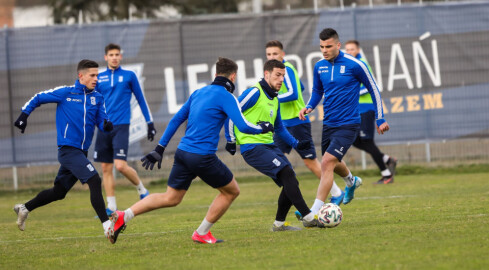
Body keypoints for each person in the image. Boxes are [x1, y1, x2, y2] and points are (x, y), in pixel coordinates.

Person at [109, 57, 275, 244]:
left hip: (182, 153)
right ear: (233, 76)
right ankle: (202, 233)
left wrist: (159, 149)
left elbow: (175, 120)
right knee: (231, 191)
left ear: (215, 74)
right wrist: (264, 127)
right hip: (202, 156)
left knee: (171, 197)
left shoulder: (198, 92)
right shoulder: (227, 97)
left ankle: (125, 215)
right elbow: (243, 126)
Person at [12, 59, 117, 243]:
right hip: (68, 150)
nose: (95, 79)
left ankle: (25, 208)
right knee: (94, 179)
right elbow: (38, 97)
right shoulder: (66, 93)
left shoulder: (98, 97)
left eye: (97, 75)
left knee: (58, 192)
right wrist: (24, 115)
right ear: (81, 76)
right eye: (92, 75)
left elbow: (102, 120)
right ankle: (107, 226)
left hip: (80, 153)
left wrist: (106, 125)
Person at [298, 28, 390, 216]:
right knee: (332, 162)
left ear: (338, 45)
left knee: (326, 162)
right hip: (329, 124)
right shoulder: (319, 66)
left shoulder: (355, 65)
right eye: (322, 46)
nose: (324, 50)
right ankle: (351, 181)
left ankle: (313, 211)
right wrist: (309, 106)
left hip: (349, 123)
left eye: (328, 46)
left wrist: (380, 118)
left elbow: (374, 89)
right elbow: (317, 91)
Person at [226, 59, 325, 231]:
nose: (281, 79)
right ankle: (308, 217)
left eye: (283, 76)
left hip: (268, 146)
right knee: (287, 174)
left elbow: (279, 128)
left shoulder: (275, 98)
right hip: (252, 148)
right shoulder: (254, 93)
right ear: (267, 74)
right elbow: (231, 113)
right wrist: (231, 139)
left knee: (291, 179)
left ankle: (279, 224)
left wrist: (296, 144)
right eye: (277, 75)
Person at [265, 40, 345, 205]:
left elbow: (294, 93)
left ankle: (337, 192)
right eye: (269, 54)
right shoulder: (277, 72)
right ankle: (291, 187)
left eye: (275, 53)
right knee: (273, 158)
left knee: (310, 162)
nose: (272, 56)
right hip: (283, 125)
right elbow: (300, 87)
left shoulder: (286, 69)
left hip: (297, 122)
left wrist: (272, 96)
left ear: (282, 54)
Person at [94, 43, 155, 216]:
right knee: (106, 168)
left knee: (120, 166)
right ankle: (111, 207)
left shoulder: (129, 76)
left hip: (121, 126)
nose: (114, 57)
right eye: (111, 55)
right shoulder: (99, 77)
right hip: (104, 127)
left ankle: (142, 191)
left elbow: (141, 99)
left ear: (121, 57)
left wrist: (149, 123)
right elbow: (95, 102)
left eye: (117, 54)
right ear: (105, 57)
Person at [344, 40, 397, 184]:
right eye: (347, 49)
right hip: (357, 110)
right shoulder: (351, 65)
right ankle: (387, 160)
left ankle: (386, 175)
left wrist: (350, 92)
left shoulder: (362, 64)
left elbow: (371, 87)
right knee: (355, 141)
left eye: (352, 49)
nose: (349, 52)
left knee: (368, 141)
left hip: (366, 109)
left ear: (358, 50)